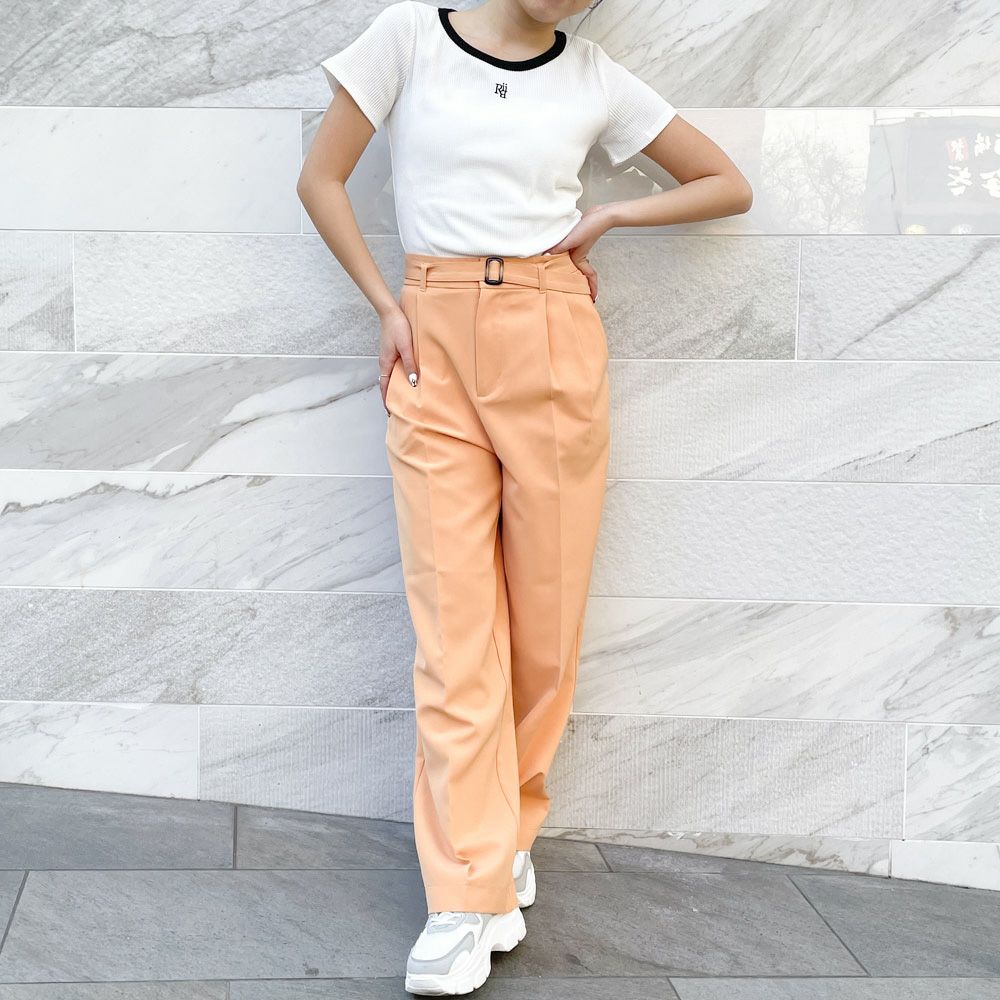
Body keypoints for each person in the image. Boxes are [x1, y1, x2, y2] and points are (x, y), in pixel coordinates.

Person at [297, 1, 752, 994]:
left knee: (544, 626)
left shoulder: (594, 75)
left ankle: (505, 836)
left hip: (552, 324)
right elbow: (319, 178)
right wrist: (385, 306)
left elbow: (727, 182)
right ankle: (464, 896)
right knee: (454, 627)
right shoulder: (408, 37)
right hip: (430, 332)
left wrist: (614, 213)